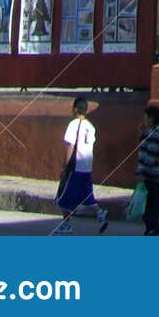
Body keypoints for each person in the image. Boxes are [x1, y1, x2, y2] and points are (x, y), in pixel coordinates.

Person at [55, 96, 109, 235]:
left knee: (63, 197)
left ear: (74, 109)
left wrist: (65, 167)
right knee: (88, 197)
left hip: (75, 166)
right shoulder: (90, 127)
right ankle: (100, 214)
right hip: (87, 167)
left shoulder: (73, 125)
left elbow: (70, 147)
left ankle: (66, 225)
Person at [135, 104, 159, 236]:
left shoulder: (155, 134)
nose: (144, 120)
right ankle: (152, 226)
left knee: (151, 202)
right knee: (152, 200)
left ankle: (152, 226)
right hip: (157, 173)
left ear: (152, 118)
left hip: (153, 174)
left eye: (146, 118)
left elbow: (150, 155)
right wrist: (142, 134)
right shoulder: (155, 132)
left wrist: (143, 172)